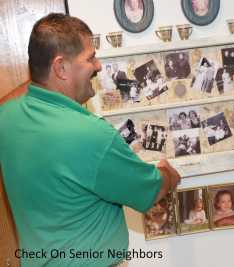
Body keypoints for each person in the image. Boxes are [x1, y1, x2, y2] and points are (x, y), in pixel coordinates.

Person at [0, 13, 181, 267]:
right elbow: (152, 191)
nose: (97, 66)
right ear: (61, 68)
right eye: (90, 58)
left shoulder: (7, 118)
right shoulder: (91, 135)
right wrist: (169, 174)